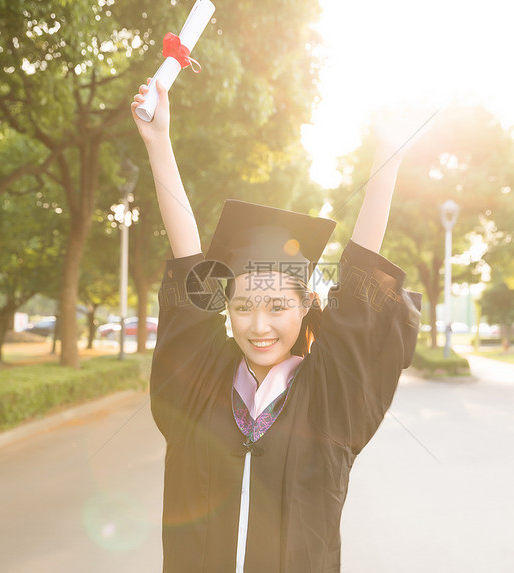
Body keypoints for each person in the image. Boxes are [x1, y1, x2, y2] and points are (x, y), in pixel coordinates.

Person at [132, 79, 421, 572]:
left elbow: (360, 284)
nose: (258, 325)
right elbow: (188, 265)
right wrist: (159, 143)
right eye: (242, 307)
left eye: (276, 307)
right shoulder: (200, 385)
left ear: (306, 303)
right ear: (225, 307)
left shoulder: (333, 398)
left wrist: (387, 155)